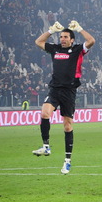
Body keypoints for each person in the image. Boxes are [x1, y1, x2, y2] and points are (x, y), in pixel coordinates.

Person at [32, 20, 95, 174]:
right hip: (54, 89)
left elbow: (91, 40)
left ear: (72, 39)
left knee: (67, 126)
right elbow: (39, 41)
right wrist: (51, 30)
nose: (63, 39)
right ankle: (46, 147)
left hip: (69, 91)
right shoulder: (55, 49)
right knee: (44, 113)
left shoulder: (78, 50)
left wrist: (80, 28)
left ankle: (67, 161)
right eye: (61, 37)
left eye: (66, 37)